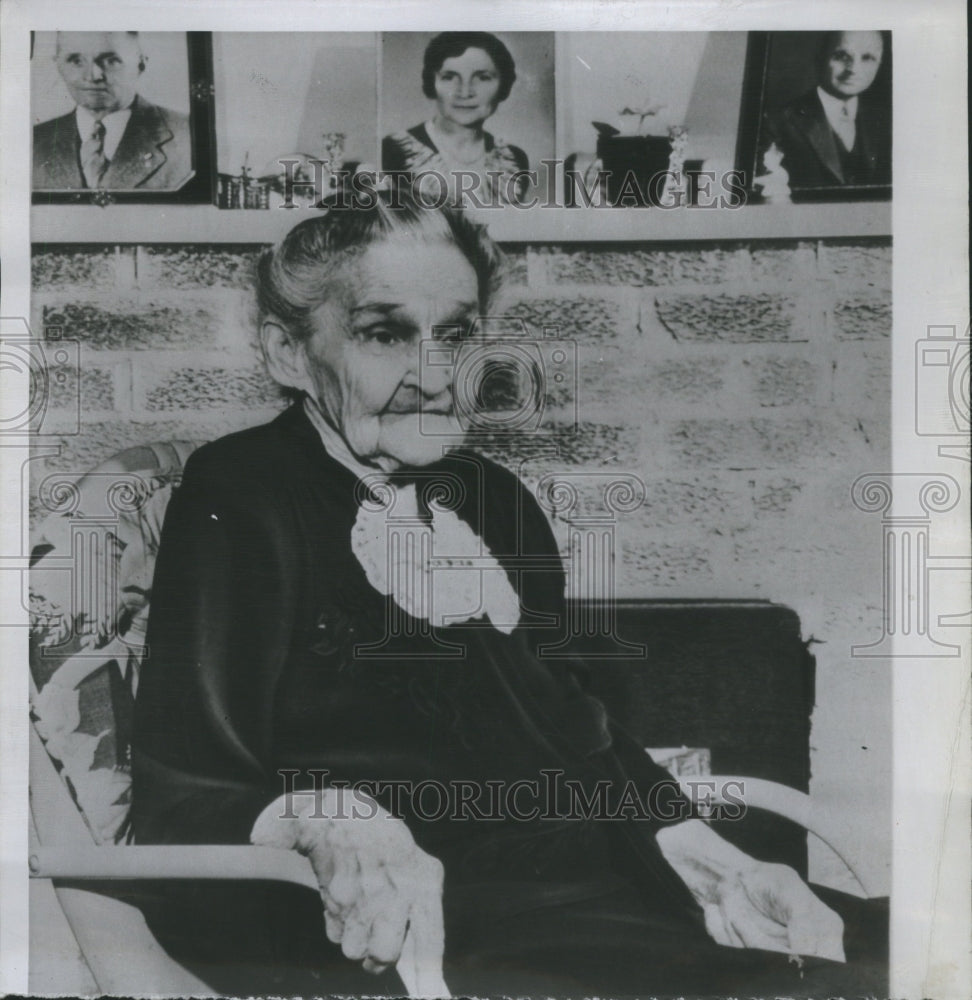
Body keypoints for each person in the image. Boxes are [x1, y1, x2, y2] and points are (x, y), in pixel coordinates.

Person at [131, 190, 886, 998]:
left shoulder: (494, 496)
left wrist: (717, 863)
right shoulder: (243, 492)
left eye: (454, 334)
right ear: (288, 352)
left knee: (904, 941)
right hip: (449, 929)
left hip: (612, 886)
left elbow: (578, 724)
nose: (434, 376)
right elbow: (184, 792)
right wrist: (328, 821)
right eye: (385, 333)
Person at [382, 32, 530, 207]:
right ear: (432, 83)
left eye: (483, 78)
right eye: (449, 77)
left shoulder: (514, 159)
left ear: (502, 86)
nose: (465, 92)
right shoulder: (392, 151)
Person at [33, 31, 193, 191]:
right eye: (76, 61)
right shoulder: (32, 142)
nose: (93, 76)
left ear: (140, 64)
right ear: (58, 65)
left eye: (111, 61)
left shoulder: (189, 136)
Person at [761, 30, 891, 192]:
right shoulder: (779, 121)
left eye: (867, 58)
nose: (853, 69)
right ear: (820, 58)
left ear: (880, 62)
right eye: (841, 56)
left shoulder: (888, 120)